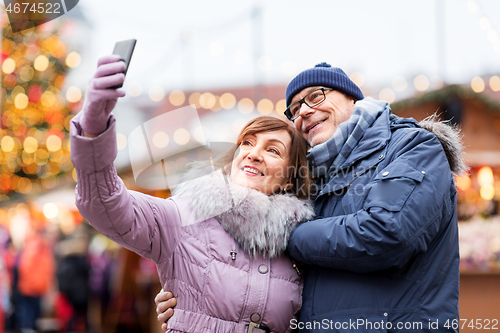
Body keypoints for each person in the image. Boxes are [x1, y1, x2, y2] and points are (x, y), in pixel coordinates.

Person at [156, 63, 465, 332]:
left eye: (316, 96)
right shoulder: (307, 178)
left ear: (352, 99)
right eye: (294, 108)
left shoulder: (410, 147)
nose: (303, 111)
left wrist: (283, 231)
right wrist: (193, 295)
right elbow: (265, 272)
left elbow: (386, 234)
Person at [70, 55, 315, 333]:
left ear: (288, 177)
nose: (254, 154)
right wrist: (93, 129)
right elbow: (106, 205)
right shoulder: (186, 215)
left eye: (273, 150)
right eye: (247, 143)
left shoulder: (303, 245)